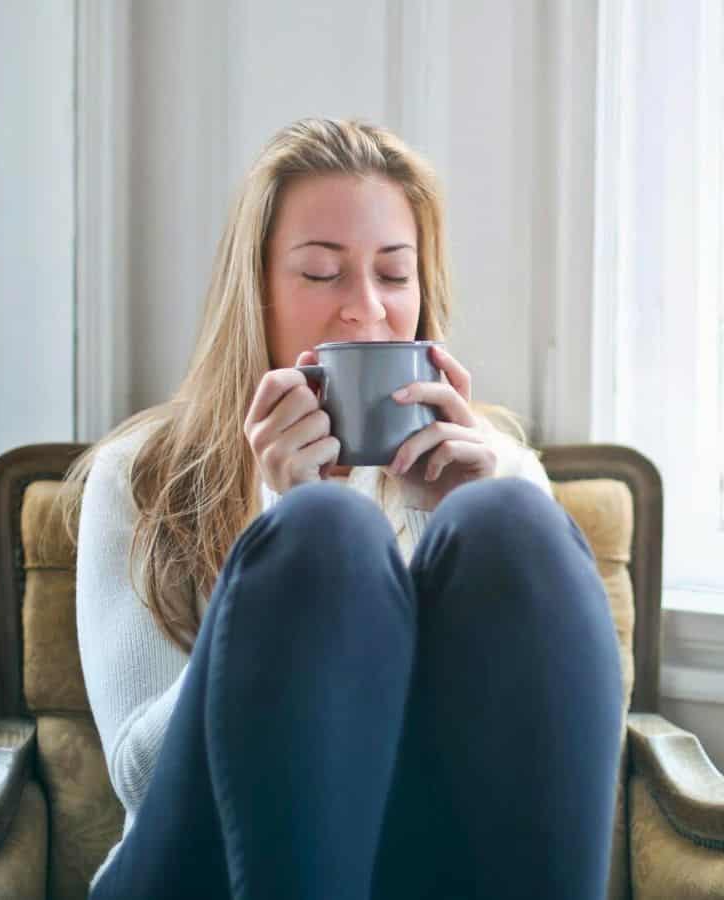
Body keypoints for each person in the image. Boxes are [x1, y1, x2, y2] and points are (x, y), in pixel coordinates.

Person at [66, 118, 624, 900]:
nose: (365, 310)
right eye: (322, 274)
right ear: (255, 291)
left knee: (513, 523)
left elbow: (564, 749)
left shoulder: (493, 468)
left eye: (394, 275)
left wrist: (473, 503)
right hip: (194, 870)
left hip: (418, 869)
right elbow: (140, 779)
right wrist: (278, 527)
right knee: (324, 533)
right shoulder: (141, 474)